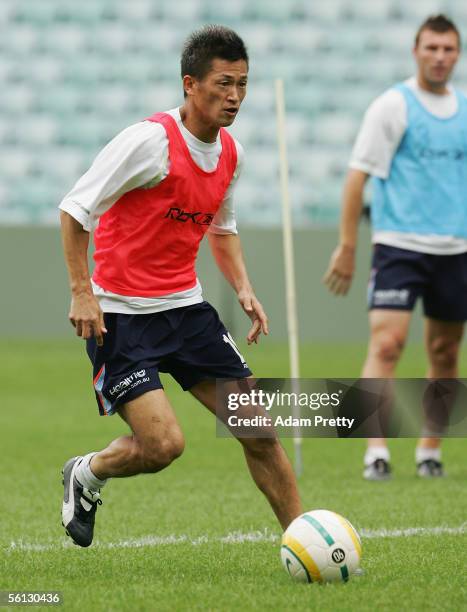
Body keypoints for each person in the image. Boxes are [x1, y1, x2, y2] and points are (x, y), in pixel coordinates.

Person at [59, 25, 302, 547]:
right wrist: (82, 291)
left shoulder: (230, 153)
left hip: (188, 314)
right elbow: (75, 210)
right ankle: (87, 473)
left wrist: (243, 287)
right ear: (190, 84)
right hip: (120, 318)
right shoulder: (148, 142)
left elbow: (222, 227)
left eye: (242, 84)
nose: (234, 96)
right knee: (164, 445)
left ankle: (305, 542)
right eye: (223, 83)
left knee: (259, 429)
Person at [324, 15, 466, 480]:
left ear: (457, 54)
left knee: (445, 352)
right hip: (398, 246)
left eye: (448, 49)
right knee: (387, 344)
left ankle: (429, 451)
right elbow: (356, 177)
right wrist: (347, 246)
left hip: (456, 249)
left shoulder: (464, 110)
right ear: (416, 51)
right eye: (432, 48)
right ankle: (376, 452)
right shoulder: (393, 105)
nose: (440, 57)